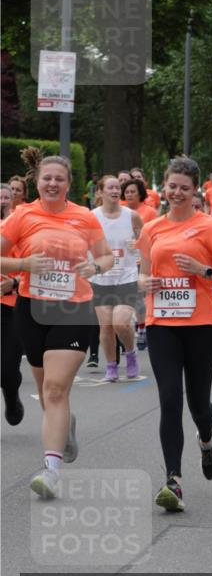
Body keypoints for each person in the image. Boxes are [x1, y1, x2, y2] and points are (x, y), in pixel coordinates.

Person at [0, 148, 113, 498]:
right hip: (32, 310)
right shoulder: (22, 216)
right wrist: (22, 267)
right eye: (46, 178)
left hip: (74, 309)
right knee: (48, 392)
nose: (52, 183)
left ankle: (50, 471)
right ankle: (66, 425)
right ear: (37, 181)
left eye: (58, 179)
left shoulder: (85, 217)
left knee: (54, 389)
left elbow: (106, 256)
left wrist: (95, 267)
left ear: (68, 183)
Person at [136, 156, 212, 512]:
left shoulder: (208, 227)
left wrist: (203, 270)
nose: (177, 192)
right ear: (164, 188)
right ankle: (173, 481)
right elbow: (142, 275)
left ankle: (207, 441)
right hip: (162, 323)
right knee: (170, 399)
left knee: (198, 403)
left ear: (195, 189)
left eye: (184, 187)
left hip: (200, 324)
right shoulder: (152, 228)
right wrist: (143, 282)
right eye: (172, 186)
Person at [91, 176, 143, 381]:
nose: (115, 190)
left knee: (120, 322)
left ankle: (130, 353)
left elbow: (147, 239)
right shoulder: (92, 217)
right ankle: (111, 366)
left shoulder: (131, 216)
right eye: (110, 187)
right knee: (106, 326)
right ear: (100, 192)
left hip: (126, 275)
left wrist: (137, 244)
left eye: (117, 187)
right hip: (101, 278)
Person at [1, 183, 24, 425]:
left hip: (11, 307)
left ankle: (11, 395)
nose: (3, 201)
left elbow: (31, 266)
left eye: (6, 197)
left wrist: (15, 282)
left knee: (6, 370)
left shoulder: (19, 230)